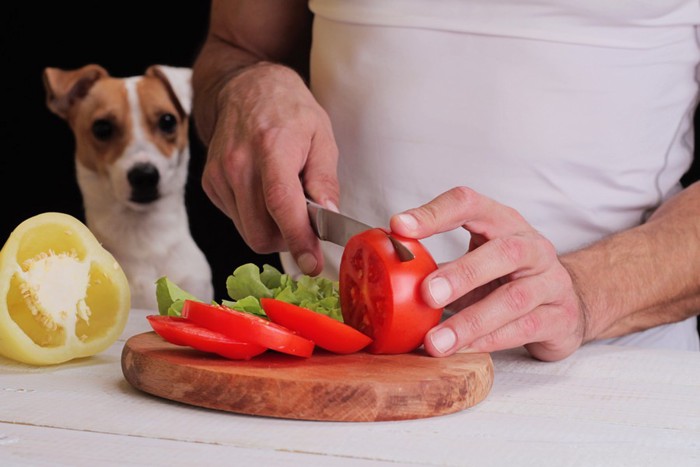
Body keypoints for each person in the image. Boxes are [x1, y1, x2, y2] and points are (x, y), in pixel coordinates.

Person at [191, 0, 700, 361]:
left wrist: (585, 296)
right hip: (335, 364)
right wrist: (243, 83)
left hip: (611, 378)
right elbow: (233, 47)